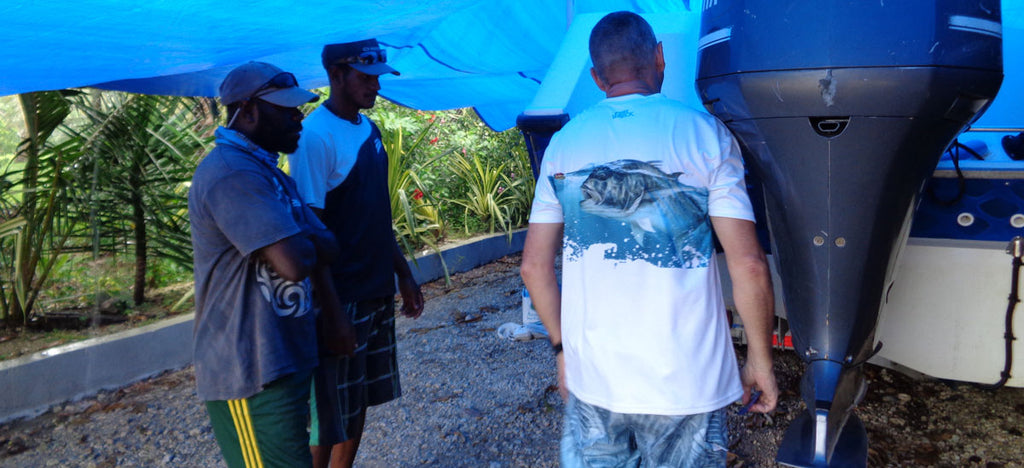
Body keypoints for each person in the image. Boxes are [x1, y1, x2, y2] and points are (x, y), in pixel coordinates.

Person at [519, 12, 779, 467]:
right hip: (688, 381)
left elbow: (533, 268)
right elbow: (750, 266)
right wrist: (760, 359)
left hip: (593, 380)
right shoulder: (705, 134)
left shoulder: (562, 145)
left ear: (598, 78)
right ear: (660, 58)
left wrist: (563, 352)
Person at [188, 61, 355, 468]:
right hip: (249, 370)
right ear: (247, 112)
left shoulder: (269, 173)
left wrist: (304, 242)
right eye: (286, 109)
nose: (298, 117)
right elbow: (294, 262)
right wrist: (304, 240)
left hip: (283, 356)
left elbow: (328, 245)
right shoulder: (231, 174)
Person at [288, 39, 425, 468]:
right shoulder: (313, 136)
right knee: (327, 411)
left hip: (375, 287)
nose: (374, 88)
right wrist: (331, 312)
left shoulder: (370, 131)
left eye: (378, 79)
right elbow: (310, 231)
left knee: (359, 397)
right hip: (340, 295)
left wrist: (402, 274)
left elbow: (375, 213)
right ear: (335, 75)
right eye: (366, 78)